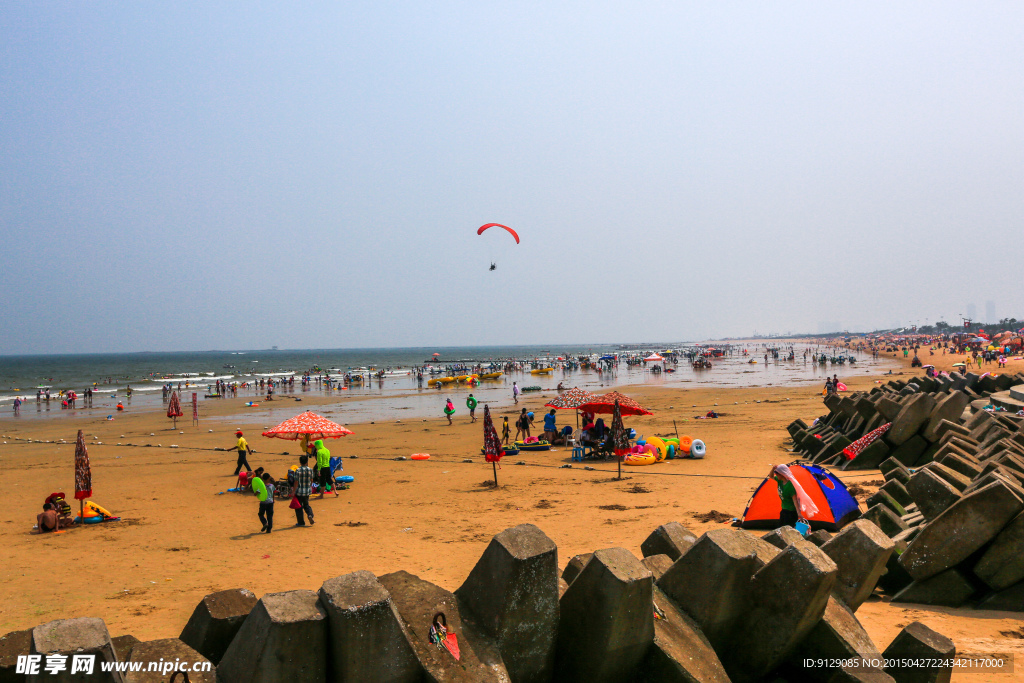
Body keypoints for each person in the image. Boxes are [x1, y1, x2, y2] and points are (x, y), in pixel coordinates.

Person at [291, 455, 315, 526]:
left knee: (298, 507)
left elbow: (296, 482)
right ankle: (310, 515)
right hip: (307, 491)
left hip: (299, 492)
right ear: (307, 462)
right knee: (306, 505)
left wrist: (293, 491)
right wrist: (309, 486)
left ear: (300, 462)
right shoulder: (310, 470)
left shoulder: (298, 470)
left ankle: (301, 522)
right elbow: (311, 480)